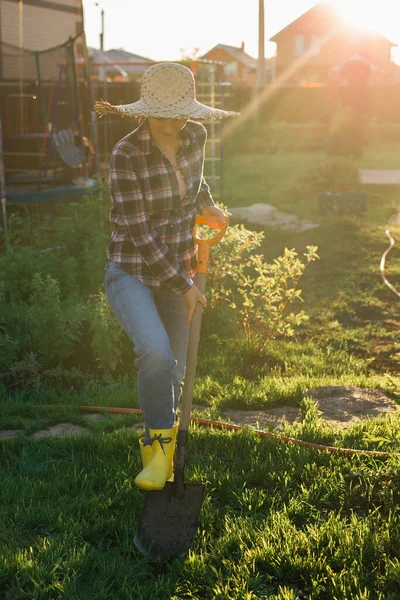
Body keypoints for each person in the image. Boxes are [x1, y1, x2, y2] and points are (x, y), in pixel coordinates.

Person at [95, 63, 239, 492]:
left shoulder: (197, 134)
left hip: (178, 266)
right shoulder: (126, 154)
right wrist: (186, 286)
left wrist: (209, 205)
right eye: (162, 116)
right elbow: (138, 233)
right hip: (132, 270)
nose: (172, 126)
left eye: (179, 115)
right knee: (156, 354)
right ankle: (155, 454)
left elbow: (194, 183)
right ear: (144, 112)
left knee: (174, 370)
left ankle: (166, 453)